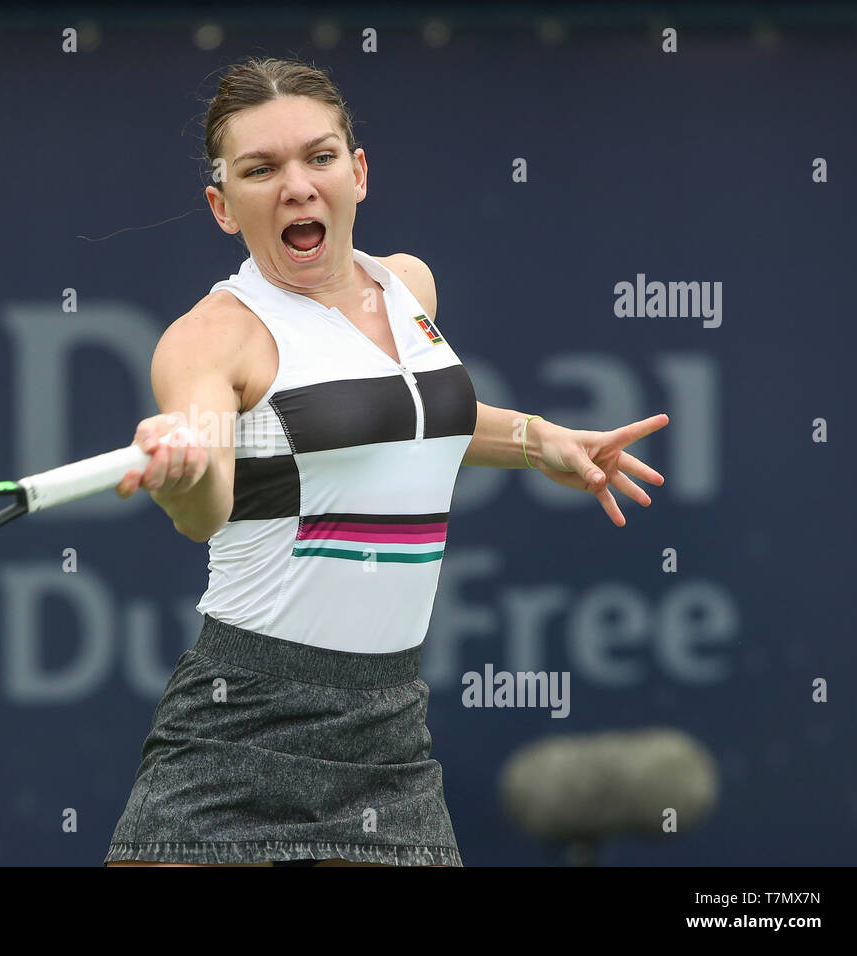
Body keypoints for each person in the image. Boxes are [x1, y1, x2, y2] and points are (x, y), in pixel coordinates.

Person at [104, 56, 668, 867]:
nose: (297, 186)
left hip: (389, 727)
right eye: (261, 170)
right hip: (238, 726)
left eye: (319, 157)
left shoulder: (408, 287)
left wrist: (535, 438)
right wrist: (185, 472)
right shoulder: (211, 339)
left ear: (357, 172)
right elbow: (206, 511)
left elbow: (411, 421)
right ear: (223, 207)